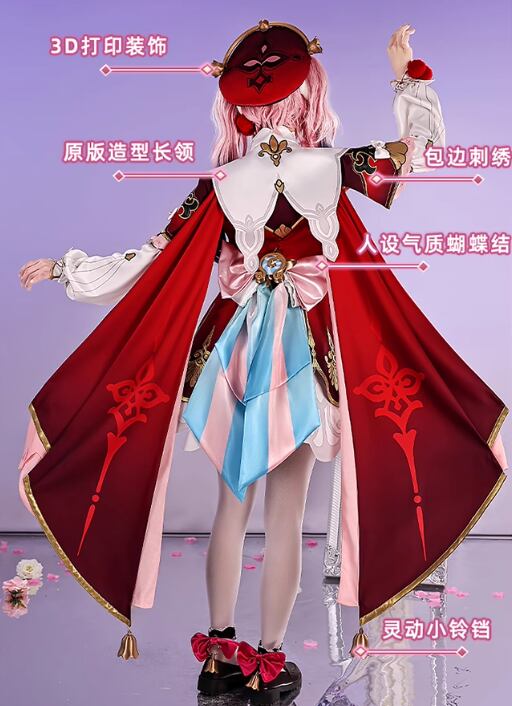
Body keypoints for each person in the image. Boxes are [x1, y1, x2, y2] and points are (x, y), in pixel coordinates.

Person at [18, 21, 507, 705]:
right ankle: (267, 662)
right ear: (309, 97)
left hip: (234, 353)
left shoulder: (221, 183)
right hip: (303, 350)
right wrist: (407, 75)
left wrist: (67, 269)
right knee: (285, 513)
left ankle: (219, 657)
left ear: (241, 106)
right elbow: (418, 154)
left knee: (230, 505)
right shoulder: (334, 167)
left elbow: (153, 256)